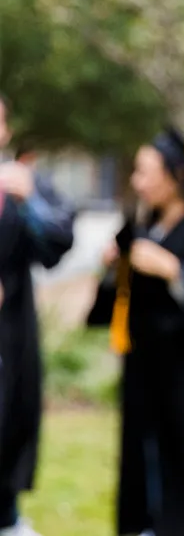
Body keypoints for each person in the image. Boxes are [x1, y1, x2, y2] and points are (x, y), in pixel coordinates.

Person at [87, 129, 184, 536]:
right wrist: (113, 269)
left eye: (145, 172)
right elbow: (113, 309)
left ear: (175, 177)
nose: (137, 182)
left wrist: (173, 269)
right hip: (147, 384)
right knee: (144, 481)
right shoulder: (141, 230)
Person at [0, 101, 76, 536]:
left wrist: (29, 202)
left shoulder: (22, 186)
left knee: (9, 428)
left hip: (9, 333)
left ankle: (6, 516)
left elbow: (57, 244)